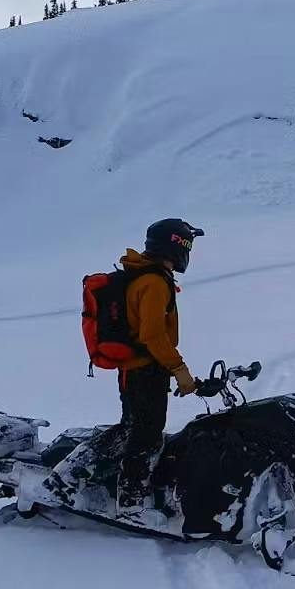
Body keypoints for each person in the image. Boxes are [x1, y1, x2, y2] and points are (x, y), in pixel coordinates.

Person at [114, 217, 216, 514]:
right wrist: (179, 369)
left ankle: (124, 485)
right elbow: (152, 335)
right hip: (145, 369)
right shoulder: (154, 282)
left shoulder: (146, 275)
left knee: (135, 428)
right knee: (146, 432)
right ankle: (131, 500)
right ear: (177, 246)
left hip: (136, 368)